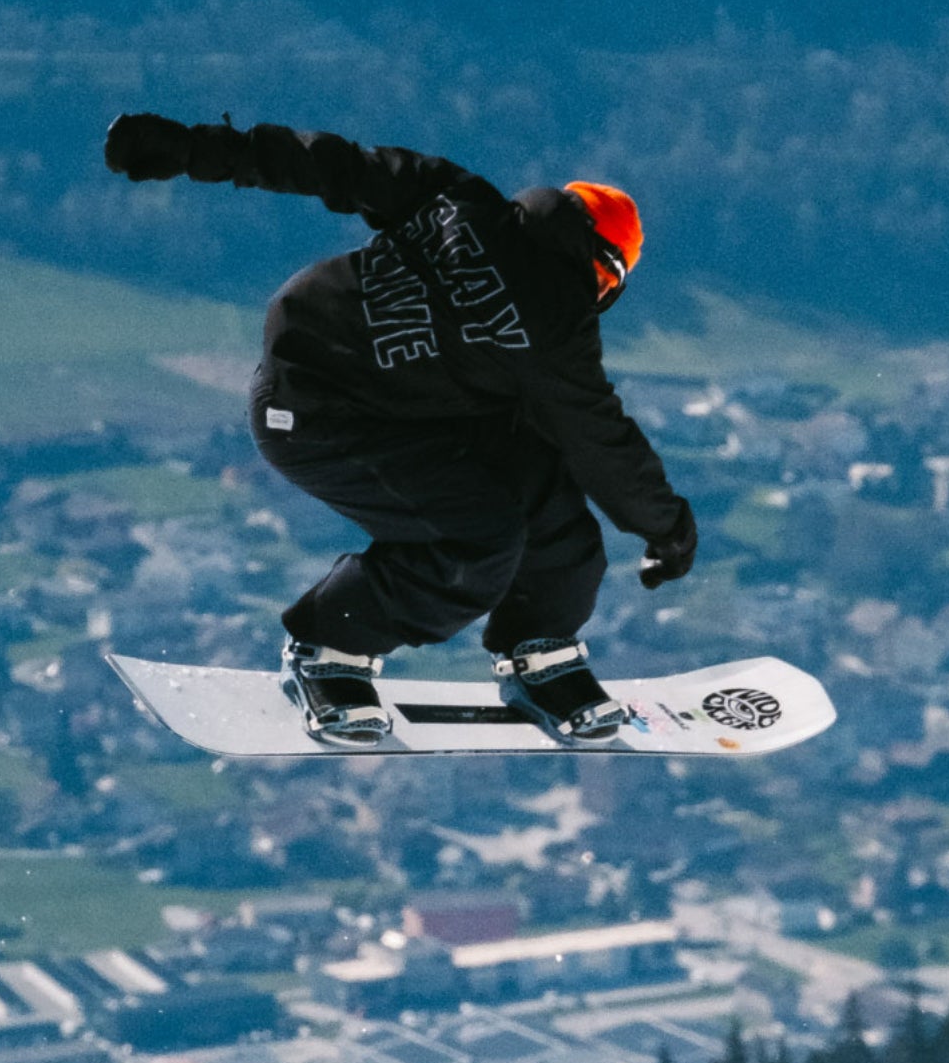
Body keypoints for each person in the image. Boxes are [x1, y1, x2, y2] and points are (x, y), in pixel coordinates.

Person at [103, 113, 699, 745]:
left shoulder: (459, 197)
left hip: (383, 396)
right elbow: (602, 440)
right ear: (603, 270)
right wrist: (667, 529)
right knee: (475, 539)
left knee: (540, 478)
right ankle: (328, 648)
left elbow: (329, 163)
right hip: (316, 416)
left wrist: (192, 149)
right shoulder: (557, 329)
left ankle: (541, 647)